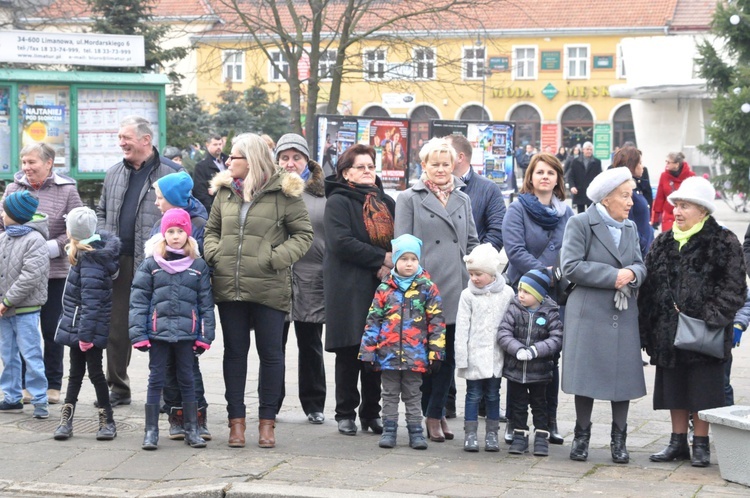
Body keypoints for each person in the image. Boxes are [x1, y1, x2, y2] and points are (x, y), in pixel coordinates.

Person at [204, 133, 312, 448]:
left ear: (250, 160)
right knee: (235, 355)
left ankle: (267, 424)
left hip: (269, 285)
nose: (227, 162)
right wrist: (216, 253)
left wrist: (273, 259)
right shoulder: (224, 192)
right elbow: (211, 230)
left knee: (271, 355)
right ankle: (235, 423)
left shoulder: (285, 192)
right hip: (230, 285)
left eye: (233, 156)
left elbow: (303, 235)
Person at [638, 177, 746, 467]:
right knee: (673, 385)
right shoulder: (663, 242)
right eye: (676, 205)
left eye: (684, 206)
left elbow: (735, 287)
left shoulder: (723, 241)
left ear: (703, 210)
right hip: (668, 331)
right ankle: (677, 442)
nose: (677, 211)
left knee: (703, 388)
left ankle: (700, 444)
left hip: (705, 332)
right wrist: (647, 329)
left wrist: (711, 317)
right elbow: (648, 287)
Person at [560, 167, 647, 464]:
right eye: (625, 196)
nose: (630, 202)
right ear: (607, 198)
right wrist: (615, 276)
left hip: (621, 313)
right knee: (586, 375)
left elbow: (639, 264)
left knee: (621, 377)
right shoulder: (581, 223)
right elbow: (571, 266)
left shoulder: (630, 228)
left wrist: (632, 273)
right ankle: (581, 436)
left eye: (631, 195)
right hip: (588, 312)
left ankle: (618, 440)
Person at [395, 137, 479, 442]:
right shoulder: (409, 198)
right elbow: (403, 245)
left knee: (449, 356)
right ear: (424, 166)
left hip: (457, 286)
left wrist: (481, 264)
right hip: (424, 287)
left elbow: (471, 240)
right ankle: (428, 414)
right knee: (427, 356)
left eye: (446, 164)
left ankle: (436, 412)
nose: (441, 169)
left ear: (454, 164)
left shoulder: (463, 198)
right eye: (435, 164)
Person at [96, 115, 183, 408]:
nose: (121, 143)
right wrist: (106, 241)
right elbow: (101, 211)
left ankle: (161, 393)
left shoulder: (171, 173)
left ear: (145, 140)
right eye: (120, 138)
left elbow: (187, 216)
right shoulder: (113, 174)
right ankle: (118, 388)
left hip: (158, 262)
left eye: (126, 138)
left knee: (160, 327)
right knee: (116, 328)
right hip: (118, 261)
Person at [0, 143, 83, 405]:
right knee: (21, 332)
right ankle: (25, 385)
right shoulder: (13, 189)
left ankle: (53, 385)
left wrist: (53, 247)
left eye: (32, 162)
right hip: (18, 275)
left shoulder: (67, 190)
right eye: (24, 162)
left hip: (56, 272)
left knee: (51, 329)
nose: (26, 167)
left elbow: (77, 228)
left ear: (49, 163)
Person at [501, 152, 573, 444]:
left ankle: (549, 421)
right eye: (540, 172)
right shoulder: (517, 210)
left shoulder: (567, 214)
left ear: (558, 179)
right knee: (516, 357)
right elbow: (515, 250)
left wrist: (553, 275)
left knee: (549, 358)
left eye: (551, 173)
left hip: (554, 295)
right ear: (530, 177)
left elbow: (569, 250)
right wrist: (543, 274)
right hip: (522, 292)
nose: (545, 177)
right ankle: (514, 421)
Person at [323, 144, 395, 436]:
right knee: (350, 351)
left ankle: (371, 413)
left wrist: (389, 264)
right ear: (346, 172)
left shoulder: (386, 201)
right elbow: (341, 242)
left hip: (381, 286)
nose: (368, 172)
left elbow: (396, 240)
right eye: (361, 167)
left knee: (376, 353)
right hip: (347, 285)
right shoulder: (338, 201)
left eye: (371, 167)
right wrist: (380, 258)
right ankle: (345, 413)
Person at [129, 209, 215, 450]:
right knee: (155, 380)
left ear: (187, 234)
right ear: (163, 234)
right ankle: (151, 431)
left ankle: (192, 428)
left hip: (187, 335)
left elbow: (206, 304)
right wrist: (139, 334)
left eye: (180, 231)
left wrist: (205, 336)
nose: (175, 236)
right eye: (170, 231)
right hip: (158, 334)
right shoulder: (151, 265)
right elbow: (138, 301)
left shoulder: (198, 265)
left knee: (188, 380)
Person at [359, 234, 446, 450]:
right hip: (387, 355)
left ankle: (416, 431)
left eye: (413, 259)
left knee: (413, 394)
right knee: (388, 394)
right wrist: (367, 352)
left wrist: (436, 353)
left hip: (415, 355)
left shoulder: (427, 288)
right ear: (395, 260)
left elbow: (436, 322)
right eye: (404, 259)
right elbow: (373, 321)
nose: (409, 263)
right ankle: (389, 429)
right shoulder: (384, 289)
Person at [149, 170, 210, 440]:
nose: (156, 202)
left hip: (187, 312)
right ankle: (175, 416)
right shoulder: (161, 224)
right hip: (162, 311)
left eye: (160, 197)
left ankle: (197, 416)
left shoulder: (195, 225)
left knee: (188, 368)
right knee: (168, 369)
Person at [53, 207, 120, 441]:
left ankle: (107, 420)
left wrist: (85, 336)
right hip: (79, 325)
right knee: (75, 373)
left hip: (87, 329)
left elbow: (92, 303)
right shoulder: (84, 254)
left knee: (94, 373)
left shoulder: (90, 260)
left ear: (73, 231)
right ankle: (66, 418)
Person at [274, 133, 327, 424]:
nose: (291, 163)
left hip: (311, 276)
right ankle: (273, 401)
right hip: (278, 276)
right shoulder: (270, 190)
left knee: (310, 344)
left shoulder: (322, 192)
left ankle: (314, 403)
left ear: (307, 159)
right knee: (274, 345)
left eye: (296, 157)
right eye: (285, 157)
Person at [455, 243, 514, 452]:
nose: (474, 278)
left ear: (491, 273)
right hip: (475, 356)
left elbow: (511, 322)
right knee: (472, 394)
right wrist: (461, 357)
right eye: (471, 274)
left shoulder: (507, 294)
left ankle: (491, 433)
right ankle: (470, 434)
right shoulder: (467, 295)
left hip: (496, 355)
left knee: (493, 394)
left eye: (478, 274)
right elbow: (462, 327)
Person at [498, 269, 563, 457]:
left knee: (539, 404)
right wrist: (517, 349)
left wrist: (536, 351)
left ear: (538, 294)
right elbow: (504, 332)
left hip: (540, 371)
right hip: (516, 370)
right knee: (518, 405)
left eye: (526, 292)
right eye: (519, 290)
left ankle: (542, 436)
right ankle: (520, 435)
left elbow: (557, 338)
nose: (520, 295)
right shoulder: (513, 309)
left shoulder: (550, 312)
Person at [0, 192, 50, 418]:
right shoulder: (4, 237)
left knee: (30, 354)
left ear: (15, 214)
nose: (1, 214)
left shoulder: (35, 240)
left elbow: (30, 276)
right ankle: (12, 397)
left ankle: (40, 398)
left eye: (4, 210)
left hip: (24, 309)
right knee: (7, 354)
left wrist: (7, 300)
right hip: (3, 309)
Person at [445, 134, 506, 251]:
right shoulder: (432, 187)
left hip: (470, 265)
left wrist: (476, 259)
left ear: (460, 157)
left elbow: (497, 231)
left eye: (445, 151)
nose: (439, 155)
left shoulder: (488, 189)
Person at [611, 147, 654, 255]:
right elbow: (626, 222)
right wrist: (642, 243)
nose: (642, 166)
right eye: (639, 163)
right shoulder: (625, 191)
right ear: (631, 165)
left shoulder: (635, 187)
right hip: (636, 252)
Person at [650, 152, 695, 232]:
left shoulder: (691, 176)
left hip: (686, 216)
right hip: (668, 216)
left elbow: (695, 198)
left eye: (668, 162)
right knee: (668, 241)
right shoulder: (664, 176)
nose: (666, 164)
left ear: (676, 164)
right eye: (666, 162)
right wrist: (655, 219)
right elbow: (660, 198)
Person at [192, 134, 228, 212]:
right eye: (215, 144)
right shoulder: (201, 166)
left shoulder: (229, 161)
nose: (218, 147)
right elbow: (200, 192)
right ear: (207, 145)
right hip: (213, 209)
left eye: (220, 144)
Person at [727, 289, 750, 406]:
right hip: (684, 335)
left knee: (722, 384)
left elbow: (746, 300)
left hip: (719, 337)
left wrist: (739, 324)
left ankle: (725, 420)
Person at [568, 141, 603, 213]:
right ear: (583, 150)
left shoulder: (597, 162)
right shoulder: (576, 161)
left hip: (592, 191)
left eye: (590, 150)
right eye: (587, 149)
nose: (589, 151)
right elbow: (571, 175)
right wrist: (572, 186)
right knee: (580, 213)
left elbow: (600, 176)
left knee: (592, 212)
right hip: (579, 190)